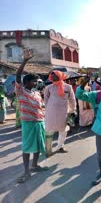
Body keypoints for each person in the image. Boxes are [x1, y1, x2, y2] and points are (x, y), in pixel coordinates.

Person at [15, 48, 48, 183]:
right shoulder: (21, 91)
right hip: (28, 123)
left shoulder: (36, 93)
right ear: (26, 82)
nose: (35, 83)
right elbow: (18, 76)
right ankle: (26, 171)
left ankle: (34, 165)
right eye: (33, 81)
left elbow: (40, 107)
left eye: (36, 81)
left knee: (39, 145)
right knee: (27, 147)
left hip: (40, 122)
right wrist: (25, 61)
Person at [44, 70, 76, 156]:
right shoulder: (49, 87)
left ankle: (60, 146)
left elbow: (72, 99)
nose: (53, 77)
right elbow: (46, 100)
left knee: (63, 130)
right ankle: (48, 149)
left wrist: (73, 110)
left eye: (55, 76)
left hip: (64, 112)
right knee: (49, 131)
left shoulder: (68, 87)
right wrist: (47, 110)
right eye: (52, 76)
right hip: (51, 112)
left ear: (60, 76)